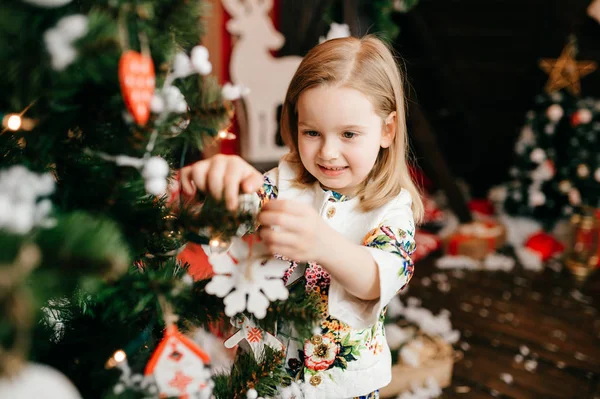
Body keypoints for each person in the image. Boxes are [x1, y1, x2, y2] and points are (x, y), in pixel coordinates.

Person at [180, 34, 424, 399]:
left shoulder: (390, 207)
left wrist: (324, 245)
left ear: (387, 130)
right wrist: (221, 183)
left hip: (343, 390)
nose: (328, 151)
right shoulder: (283, 183)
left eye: (348, 134)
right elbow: (233, 215)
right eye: (312, 132)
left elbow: (382, 277)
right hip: (263, 376)